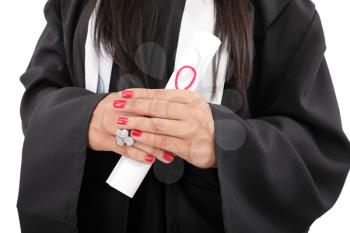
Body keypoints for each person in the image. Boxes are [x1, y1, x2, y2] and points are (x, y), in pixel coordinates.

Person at [17, 0, 350, 232]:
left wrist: (224, 141)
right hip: (94, 218)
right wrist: (86, 119)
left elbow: (317, 149)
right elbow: (40, 97)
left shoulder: (279, 7)